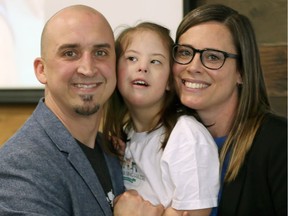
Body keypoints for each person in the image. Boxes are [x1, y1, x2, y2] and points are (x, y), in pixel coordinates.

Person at [0, 5, 125, 215]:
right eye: (70, 53)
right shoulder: (21, 165)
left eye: (100, 52)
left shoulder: (113, 151)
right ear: (42, 70)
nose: (88, 68)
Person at [172, 4, 287, 216]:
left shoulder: (280, 143)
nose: (193, 66)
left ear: (242, 72)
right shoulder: (164, 139)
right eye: (185, 52)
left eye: (213, 57)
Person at [103, 22, 220, 216]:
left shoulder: (187, 137)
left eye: (155, 61)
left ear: (169, 82)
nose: (142, 67)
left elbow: (196, 212)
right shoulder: (126, 135)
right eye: (131, 58)